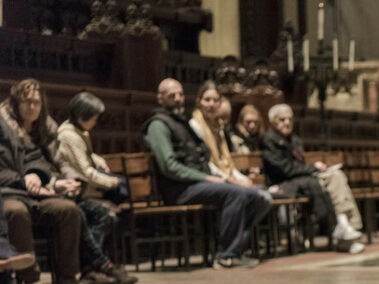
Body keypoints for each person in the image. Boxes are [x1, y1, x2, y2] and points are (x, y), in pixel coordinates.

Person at [143, 78, 271, 269]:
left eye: (180, 94)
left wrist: (220, 178)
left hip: (198, 184)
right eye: (172, 96)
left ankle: (235, 248)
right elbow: (169, 166)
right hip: (179, 189)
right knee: (236, 193)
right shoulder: (158, 125)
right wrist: (207, 178)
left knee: (257, 195)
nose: (178, 99)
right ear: (160, 99)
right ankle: (226, 255)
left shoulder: (181, 122)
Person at [0, 79, 88, 284]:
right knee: (15, 212)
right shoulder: (3, 125)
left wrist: (36, 175)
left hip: (33, 192)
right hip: (8, 193)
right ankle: (29, 279)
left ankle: (67, 278)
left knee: (68, 210)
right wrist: (22, 180)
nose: (31, 107)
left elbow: (35, 157)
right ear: (15, 103)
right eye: (26, 102)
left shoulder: (27, 130)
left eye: (35, 103)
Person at [56, 91, 138, 284]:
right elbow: (85, 172)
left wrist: (102, 162)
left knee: (106, 214)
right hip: (74, 193)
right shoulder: (68, 135)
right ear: (82, 115)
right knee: (102, 213)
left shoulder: (79, 132)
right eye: (93, 117)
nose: (95, 122)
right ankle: (99, 267)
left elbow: (89, 157)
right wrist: (111, 183)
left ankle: (93, 268)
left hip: (83, 192)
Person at [262, 103, 365, 254]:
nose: (287, 122)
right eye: (282, 119)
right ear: (272, 122)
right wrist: (314, 168)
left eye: (290, 119)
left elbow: (298, 166)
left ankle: (344, 228)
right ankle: (344, 232)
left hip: (302, 179)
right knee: (334, 180)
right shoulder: (269, 139)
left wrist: (313, 169)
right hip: (286, 183)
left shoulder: (294, 140)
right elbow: (285, 169)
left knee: (337, 176)